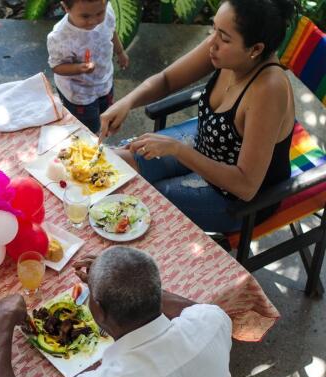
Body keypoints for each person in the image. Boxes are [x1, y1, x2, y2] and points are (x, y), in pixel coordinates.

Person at [99, 0, 296, 233]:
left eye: (223, 37)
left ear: (256, 49)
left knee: (139, 203)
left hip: (237, 200)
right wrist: (127, 102)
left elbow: (246, 186)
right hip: (204, 145)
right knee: (113, 164)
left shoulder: (268, 90)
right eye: (214, 28)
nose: (211, 42)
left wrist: (178, 150)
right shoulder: (224, 50)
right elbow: (167, 80)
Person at [0, 246, 233, 377]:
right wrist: (125, 282)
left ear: (99, 311)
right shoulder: (212, 320)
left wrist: (4, 322)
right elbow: (194, 309)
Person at [47, 0, 129, 134]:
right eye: (85, 16)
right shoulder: (60, 37)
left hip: (104, 81)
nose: (93, 21)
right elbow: (56, 66)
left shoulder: (107, 12)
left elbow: (111, 32)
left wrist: (120, 52)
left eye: (99, 13)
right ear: (66, 7)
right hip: (79, 93)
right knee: (87, 126)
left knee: (105, 112)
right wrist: (79, 68)